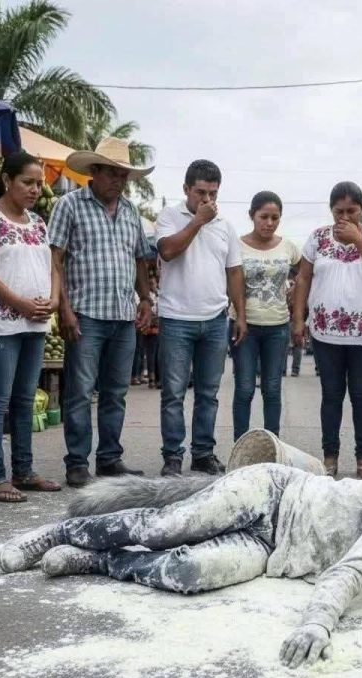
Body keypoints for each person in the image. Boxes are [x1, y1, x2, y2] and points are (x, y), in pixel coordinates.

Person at [0, 466, 362, 669]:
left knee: (188, 574)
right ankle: (59, 533)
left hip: (270, 553)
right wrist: (318, 623)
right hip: (274, 493)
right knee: (169, 525)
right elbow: (348, 573)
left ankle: (95, 560)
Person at [48, 137, 153, 488]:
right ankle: (77, 462)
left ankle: (109, 459)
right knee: (80, 391)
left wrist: (145, 299)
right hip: (85, 314)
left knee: (115, 392)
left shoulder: (131, 211)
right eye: (111, 173)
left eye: (123, 175)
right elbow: (55, 259)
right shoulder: (69, 205)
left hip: (123, 315)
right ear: (94, 171)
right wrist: (64, 309)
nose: (118, 181)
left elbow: (140, 258)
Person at [0, 151, 61, 501]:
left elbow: (53, 267)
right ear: (7, 180)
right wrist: (18, 302)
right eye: (27, 182)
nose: (35, 189)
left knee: (24, 398)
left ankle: (24, 471)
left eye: (39, 183)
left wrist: (53, 300)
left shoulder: (38, 222)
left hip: (35, 322)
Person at [292, 182, 362, 478]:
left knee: (361, 395)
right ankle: (330, 457)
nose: (345, 217)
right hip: (325, 332)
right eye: (339, 211)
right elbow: (303, 279)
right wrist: (298, 319)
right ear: (331, 210)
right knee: (331, 395)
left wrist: (358, 240)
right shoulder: (317, 238)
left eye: (352, 211)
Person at [156, 159, 246, 476]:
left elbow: (234, 272)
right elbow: (167, 251)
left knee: (208, 394)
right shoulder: (169, 216)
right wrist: (197, 221)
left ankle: (203, 454)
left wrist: (240, 314)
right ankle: (172, 457)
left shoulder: (225, 226)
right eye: (200, 193)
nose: (207, 200)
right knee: (174, 394)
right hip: (176, 318)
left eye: (213, 194)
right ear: (186, 189)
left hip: (215, 320)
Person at [231, 191, 300, 440]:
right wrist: (239, 315)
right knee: (244, 389)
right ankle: (240, 445)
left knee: (272, 389)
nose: (269, 223)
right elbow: (231, 279)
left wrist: (295, 295)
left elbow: (306, 273)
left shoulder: (288, 247)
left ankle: (273, 445)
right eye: (264, 217)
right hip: (244, 327)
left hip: (277, 327)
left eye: (275, 218)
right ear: (252, 215)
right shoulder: (236, 245)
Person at [143, 274, 160, 389]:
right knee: (151, 354)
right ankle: (152, 378)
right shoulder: (147, 297)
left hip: (159, 329)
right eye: (150, 284)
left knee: (158, 354)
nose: (152, 285)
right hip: (150, 329)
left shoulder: (159, 295)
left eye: (153, 283)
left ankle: (158, 378)